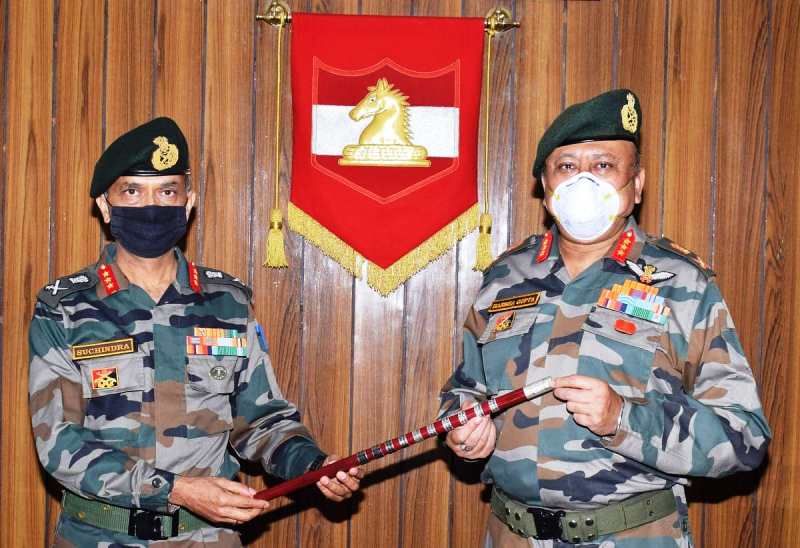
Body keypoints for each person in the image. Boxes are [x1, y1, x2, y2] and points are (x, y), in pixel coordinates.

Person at [439, 89, 771, 547]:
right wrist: (462, 427)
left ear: (635, 186)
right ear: (547, 187)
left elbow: (745, 439)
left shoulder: (680, 282)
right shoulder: (505, 276)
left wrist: (623, 419)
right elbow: (465, 388)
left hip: (631, 535)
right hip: (511, 534)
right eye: (567, 167)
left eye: (603, 165)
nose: (583, 181)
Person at [29, 117, 362, 547]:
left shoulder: (227, 302)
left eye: (167, 191)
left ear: (188, 203)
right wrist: (175, 489)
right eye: (132, 191)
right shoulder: (65, 307)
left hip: (207, 539)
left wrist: (311, 464)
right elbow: (58, 443)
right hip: (98, 537)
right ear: (105, 206)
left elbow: (259, 419)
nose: (151, 205)